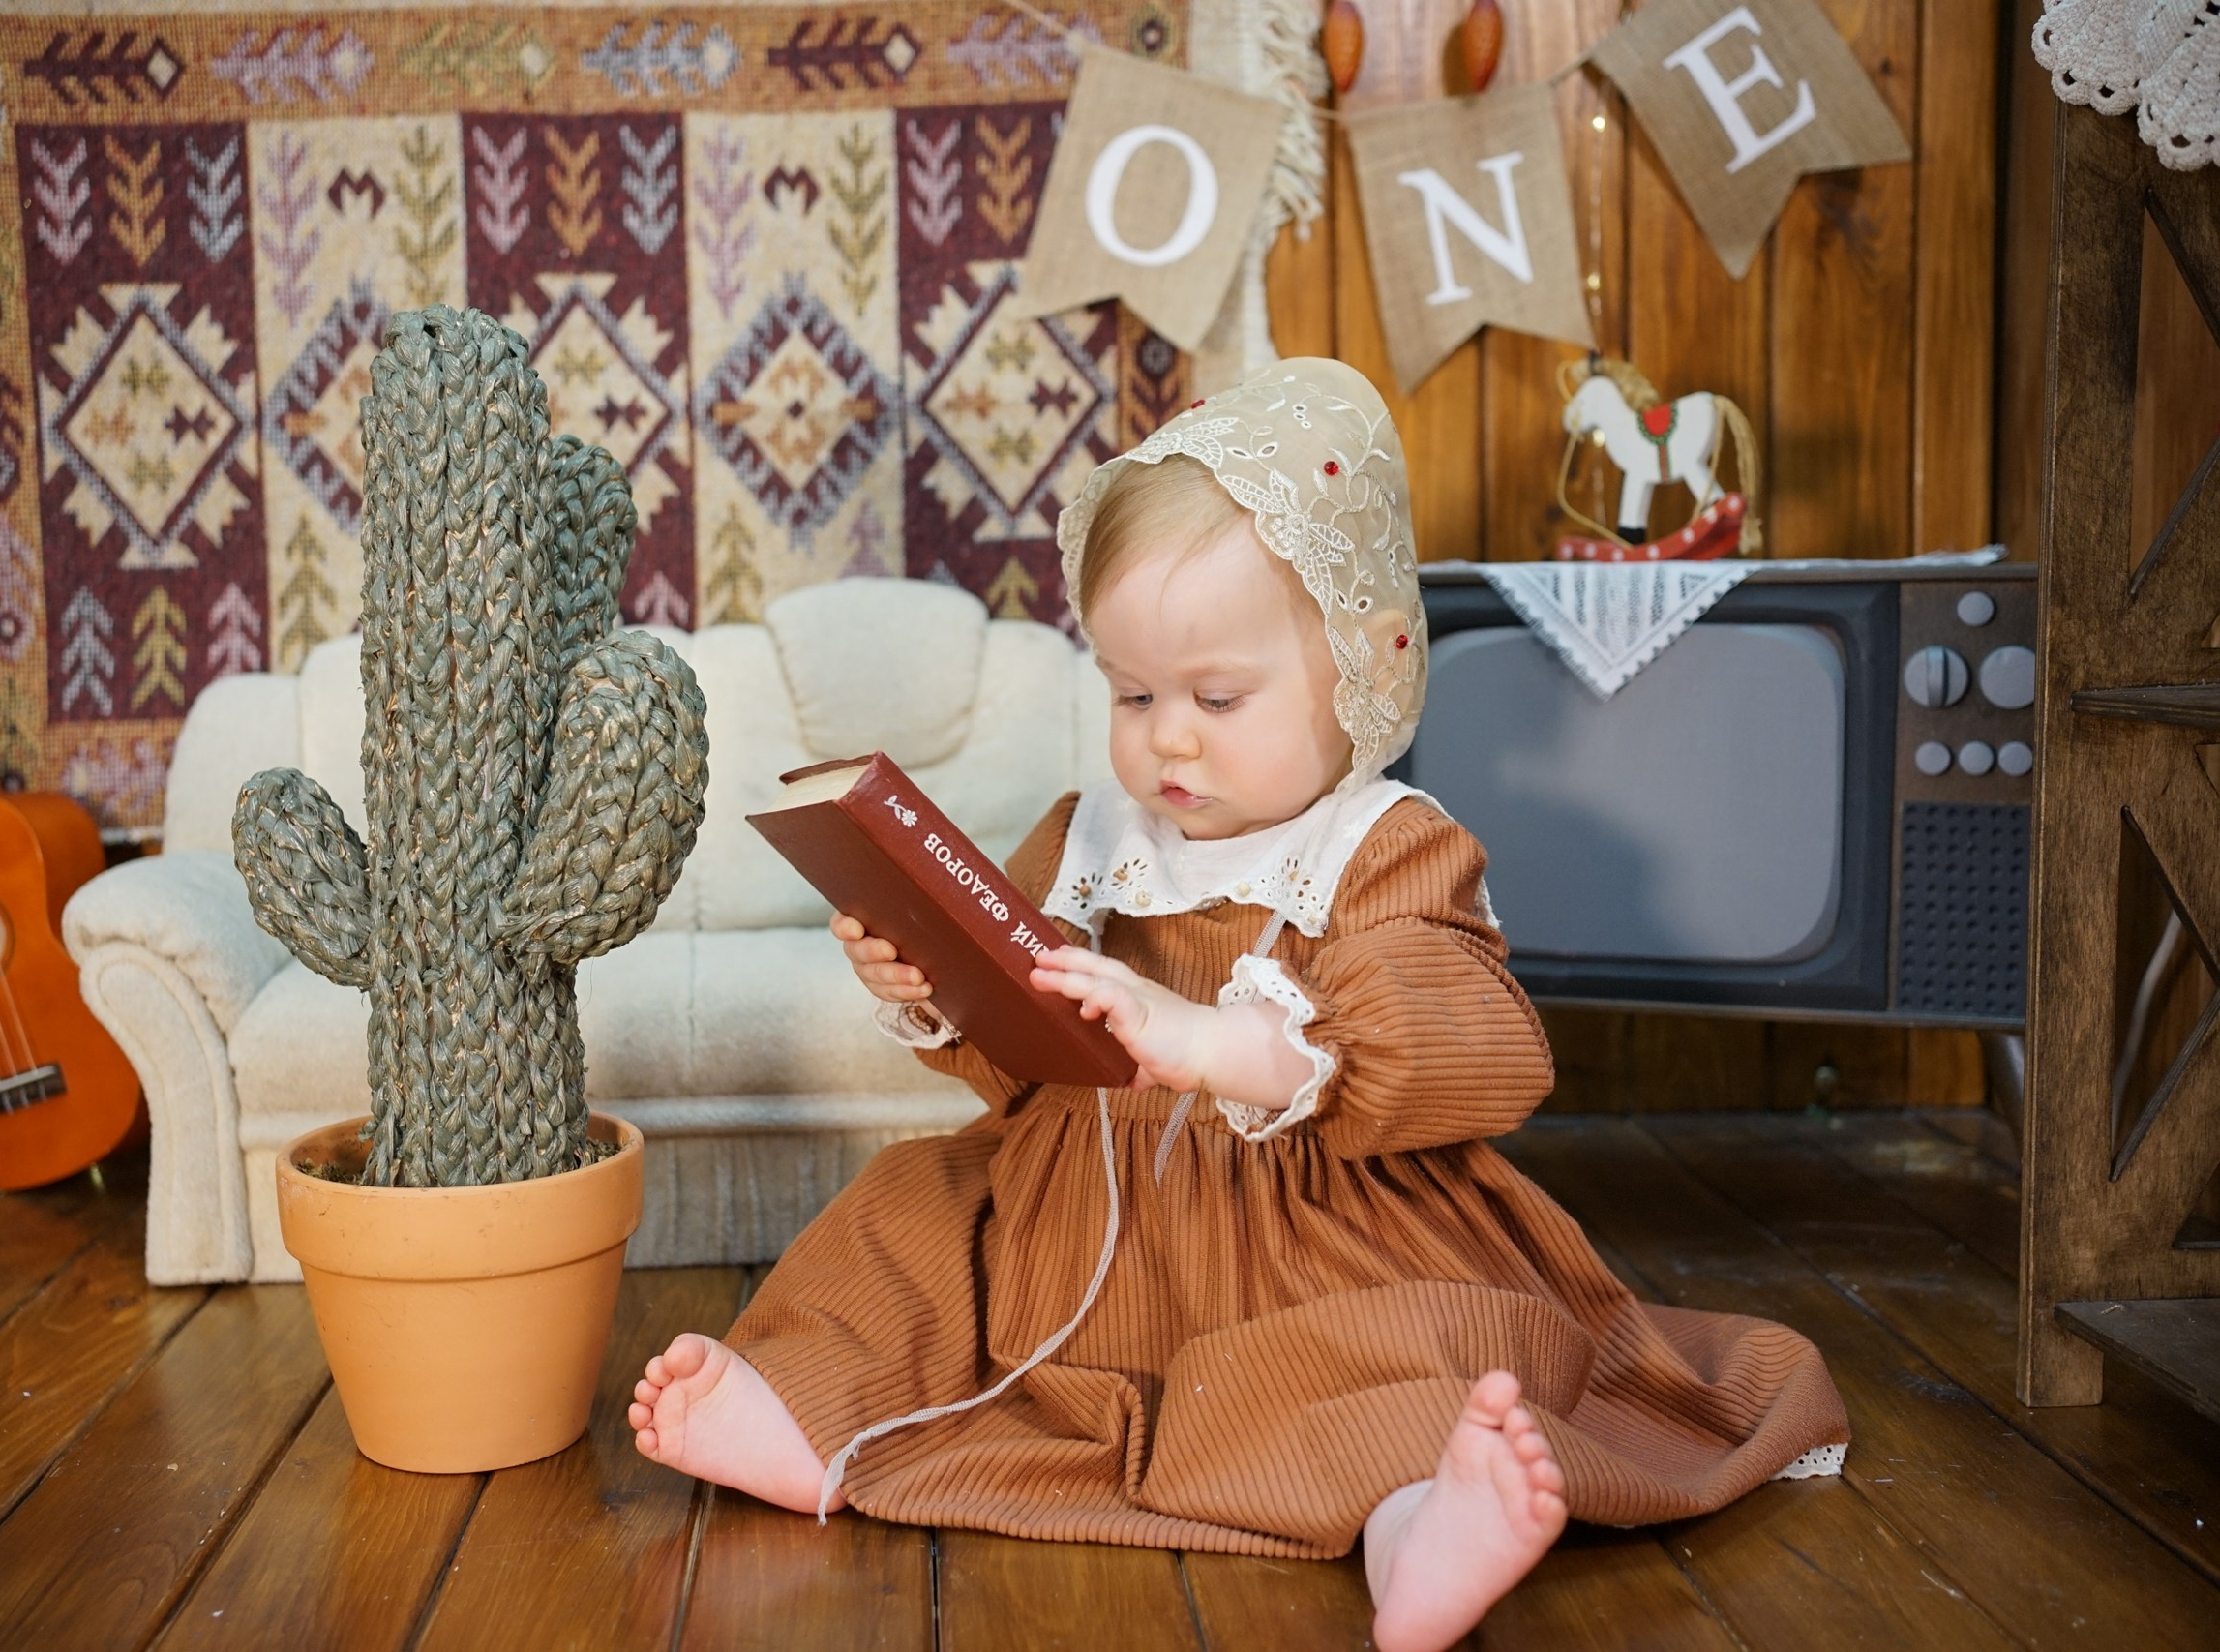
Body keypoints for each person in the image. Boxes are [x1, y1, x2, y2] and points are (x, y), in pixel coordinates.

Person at [629, 358, 1847, 1652]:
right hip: (1079, 1222)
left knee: (1391, 1353)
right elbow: (1029, 1056)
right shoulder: (1093, 832)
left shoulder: (1384, 846)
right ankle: (811, 1417)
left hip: (1307, 1240)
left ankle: (1421, 1522)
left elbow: (1477, 1039)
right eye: (1134, 695)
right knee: (908, 1210)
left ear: (1360, 672)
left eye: (1217, 698)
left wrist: (1224, 1044)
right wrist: (942, 986)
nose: (1169, 742)